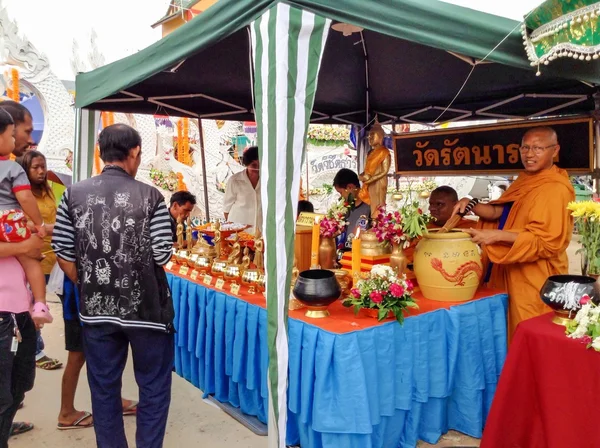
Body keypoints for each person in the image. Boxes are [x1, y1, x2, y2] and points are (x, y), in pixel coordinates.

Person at [52, 124, 174, 448]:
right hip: (147, 312)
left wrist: (89, 281)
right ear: (134, 153)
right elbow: (162, 254)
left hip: (96, 313)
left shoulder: (72, 194)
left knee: (103, 389)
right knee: (153, 387)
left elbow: (62, 252)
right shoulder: (152, 196)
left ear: (100, 152)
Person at [453, 126, 575, 340]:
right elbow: (501, 212)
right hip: (507, 268)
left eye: (537, 148)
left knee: (526, 330)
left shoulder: (556, 188)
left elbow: (545, 241)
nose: (529, 154)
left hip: (534, 275)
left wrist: (497, 236)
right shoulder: (524, 180)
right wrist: (471, 204)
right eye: (525, 148)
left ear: (555, 151)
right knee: (502, 330)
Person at [0, 109, 51, 326]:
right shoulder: (13, 168)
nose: (16, 139)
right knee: (30, 260)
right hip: (10, 221)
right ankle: (40, 303)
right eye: (12, 134)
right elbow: (26, 198)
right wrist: (38, 224)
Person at [21, 151, 63, 371]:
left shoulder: (48, 191)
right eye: (35, 167)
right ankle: (36, 350)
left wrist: (53, 229)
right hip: (30, 258)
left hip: (52, 258)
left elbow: (56, 220)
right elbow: (18, 224)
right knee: (33, 306)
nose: (40, 171)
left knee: (39, 307)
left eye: (42, 166)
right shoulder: (21, 193)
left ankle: (32, 348)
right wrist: (44, 229)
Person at [0, 236, 44, 447]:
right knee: (3, 395)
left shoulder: (11, 216)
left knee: (21, 384)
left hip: (20, 314)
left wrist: (38, 304)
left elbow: (35, 254)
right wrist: (23, 246)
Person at [358, 119, 391, 219]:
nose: (370, 137)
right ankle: (373, 222)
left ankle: (378, 222)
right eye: (369, 135)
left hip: (379, 182)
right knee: (371, 203)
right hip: (369, 182)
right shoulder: (369, 152)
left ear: (380, 137)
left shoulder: (384, 152)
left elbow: (384, 171)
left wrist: (370, 179)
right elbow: (366, 169)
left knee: (378, 203)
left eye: (373, 135)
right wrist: (361, 176)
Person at [333, 168, 371, 251]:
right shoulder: (342, 210)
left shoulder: (369, 208)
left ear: (350, 187)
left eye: (341, 192)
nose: (341, 197)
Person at [223, 146, 261, 227]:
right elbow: (226, 209)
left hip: (260, 226)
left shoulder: (267, 181)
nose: (257, 168)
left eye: (260, 165)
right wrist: (232, 227)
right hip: (239, 227)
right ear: (247, 164)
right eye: (254, 165)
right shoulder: (234, 180)